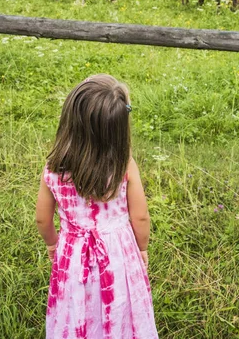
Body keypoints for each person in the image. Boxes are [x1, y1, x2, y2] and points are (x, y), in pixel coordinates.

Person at [36, 74, 158, 338]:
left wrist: (52, 244)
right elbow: (141, 218)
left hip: (72, 255)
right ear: (118, 129)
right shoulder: (124, 166)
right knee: (121, 305)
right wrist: (143, 248)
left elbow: (42, 220)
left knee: (75, 306)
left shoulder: (54, 169)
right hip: (119, 256)